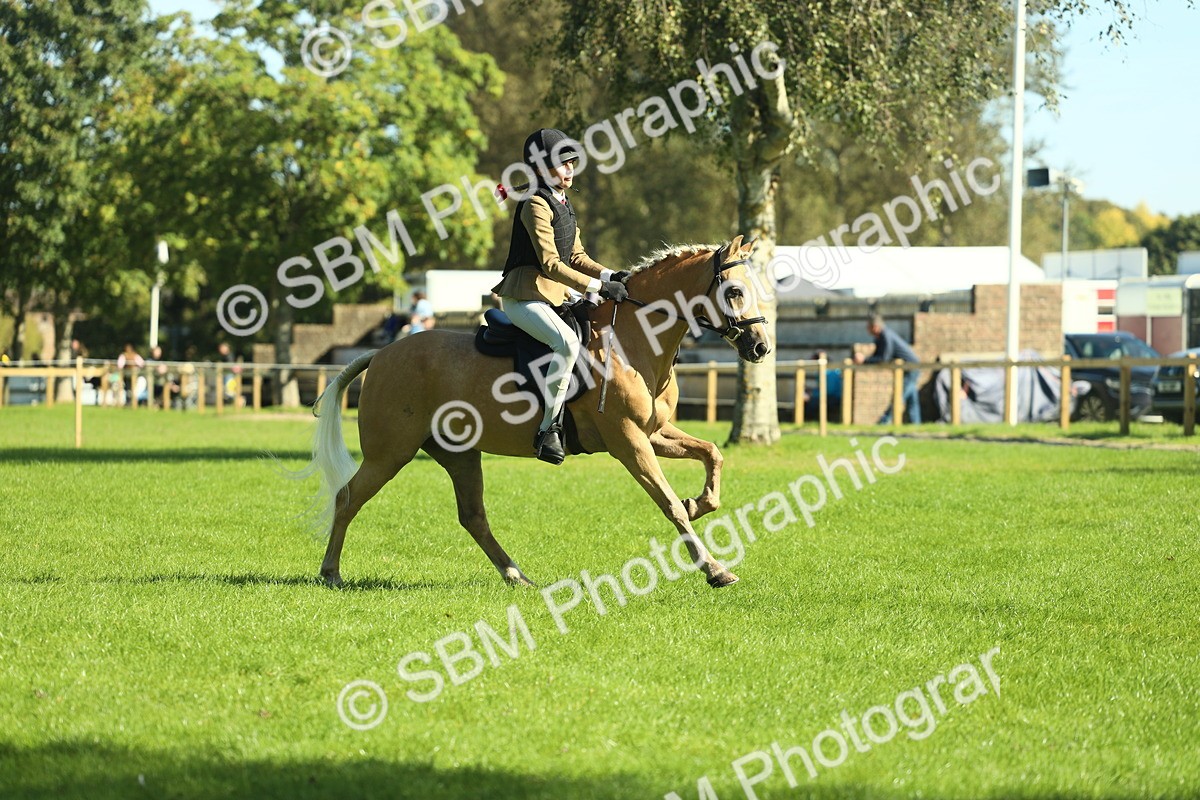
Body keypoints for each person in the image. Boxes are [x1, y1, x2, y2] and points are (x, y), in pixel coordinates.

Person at [491, 127, 630, 464]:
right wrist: (598, 288)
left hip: (553, 297)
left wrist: (611, 275)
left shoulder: (563, 203)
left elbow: (577, 257)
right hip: (524, 298)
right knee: (566, 344)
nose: (570, 169)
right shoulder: (535, 204)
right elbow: (551, 264)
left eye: (572, 162)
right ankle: (547, 430)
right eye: (562, 163)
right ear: (542, 168)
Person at [854, 315, 921, 424]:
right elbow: (876, 356)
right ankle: (916, 424)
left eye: (869, 327)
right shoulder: (880, 338)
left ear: (875, 327)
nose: (867, 330)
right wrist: (866, 360)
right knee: (911, 398)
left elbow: (883, 358)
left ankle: (884, 421)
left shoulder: (886, 336)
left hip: (911, 368)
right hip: (908, 368)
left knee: (899, 395)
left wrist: (864, 360)